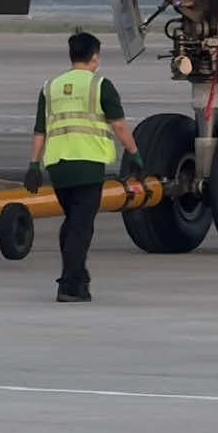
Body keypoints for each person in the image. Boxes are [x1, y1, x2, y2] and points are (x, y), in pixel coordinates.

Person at [24, 30, 143, 302]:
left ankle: (79, 278)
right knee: (81, 226)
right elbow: (119, 125)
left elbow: (39, 131)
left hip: (58, 166)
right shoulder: (100, 85)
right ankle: (70, 285)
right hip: (88, 165)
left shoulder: (50, 87)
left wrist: (33, 165)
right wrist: (134, 154)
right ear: (95, 57)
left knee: (73, 223)